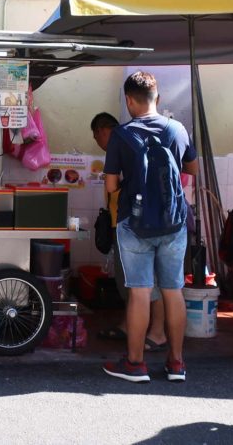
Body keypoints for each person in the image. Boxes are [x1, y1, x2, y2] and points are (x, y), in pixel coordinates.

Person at [101, 72, 198, 384]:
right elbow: (192, 168)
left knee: (140, 292)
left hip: (135, 223)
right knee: (173, 291)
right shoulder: (177, 129)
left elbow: (112, 185)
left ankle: (135, 364)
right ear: (159, 98)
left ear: (129, 100)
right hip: (173, 222)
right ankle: (177, 364)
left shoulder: (121, 134)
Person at [91, 111, 168, 352]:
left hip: (138, 224)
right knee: (130, 282)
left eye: (96, 137)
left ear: (102, 131)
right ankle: (129, 324)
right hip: (127, 223)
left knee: (147, 283)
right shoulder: (128, 142)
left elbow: (114, 186)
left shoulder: (122, 144)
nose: (98, 143)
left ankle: (157, 332)